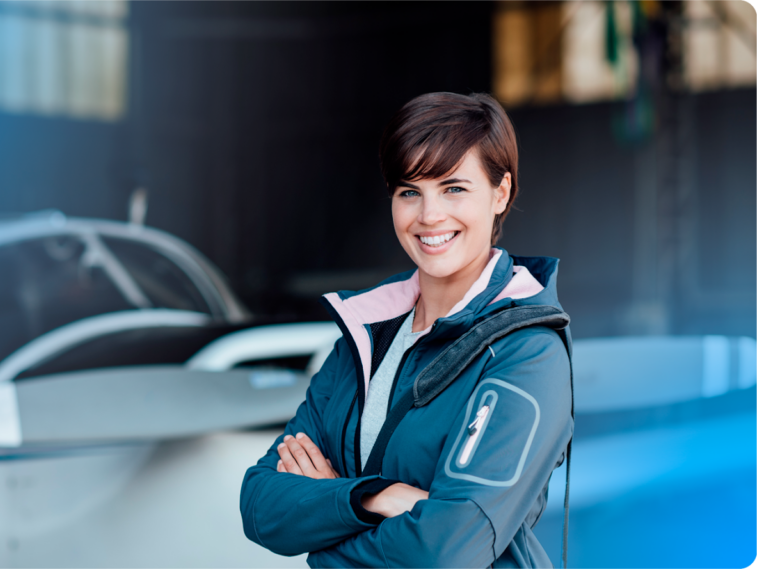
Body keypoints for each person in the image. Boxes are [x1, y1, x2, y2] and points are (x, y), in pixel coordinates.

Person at [240, 92, 573, 569]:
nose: (429, 215)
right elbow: (261, 505)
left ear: (500, 193)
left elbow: (445, 552)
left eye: (454, 188)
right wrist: (376, 497)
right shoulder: (367, 334)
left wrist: (326, 518)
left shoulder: (527, 354)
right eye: (409, 191)